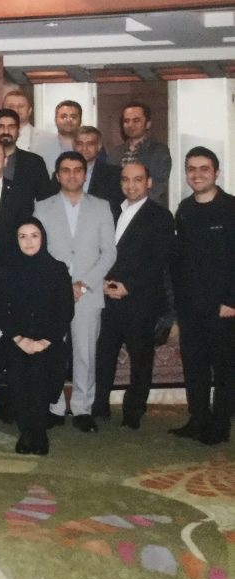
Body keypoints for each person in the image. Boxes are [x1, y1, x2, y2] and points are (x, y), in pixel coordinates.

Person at [34, 152, 116, 433]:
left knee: (85, 353)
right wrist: (59, 286)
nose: (72, 175)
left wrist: (82, 285)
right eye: (66, 170)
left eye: (77, 170)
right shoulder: (41, 208)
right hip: (51, 294)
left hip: (88, 293)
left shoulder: (101, 207)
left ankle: (82, 408)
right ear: (57, 175)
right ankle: (54, 406)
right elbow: (38, 251)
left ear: (85, 174)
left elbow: (109, 253)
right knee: (52, 351)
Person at [94, 162, 174, 429]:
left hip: (140, 300)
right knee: (103, 355)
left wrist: (128, 286)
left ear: (148, 182)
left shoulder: (161, 216)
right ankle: (99, 406)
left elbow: (158, 261)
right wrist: (102, 282)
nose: (131, 185)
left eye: (138, 179)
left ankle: (133, 412)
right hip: (107, 298)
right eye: (126, 180)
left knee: (141, 360)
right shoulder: (111, 211)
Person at [170, 147, 235, 445]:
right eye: (191, 169)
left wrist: (232, 301)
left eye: (204, 168)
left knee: (224, 370)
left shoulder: (231, 208)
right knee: (194, 367)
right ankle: (198, 419)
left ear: (216, 173)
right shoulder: (184, 209)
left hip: (223, 306)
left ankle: (220, 426)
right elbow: (179, 259)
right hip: (190, 305)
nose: (197, 174)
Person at [0, 219, 74, 455]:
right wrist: (20, 339)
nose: (29, 241)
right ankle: (27, 432)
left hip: (49, 341)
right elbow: (1, 313)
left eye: (34, 235)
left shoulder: (57, 270)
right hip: (16, 340)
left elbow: (66, 312)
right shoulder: (6, 271)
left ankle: (37, 433)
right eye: (23, 236)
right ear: (16, 240)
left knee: (40, 370)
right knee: (19, 372)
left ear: (43, 238)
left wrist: (44, 342)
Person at [108, 102, 172, 208]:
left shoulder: (159, 151)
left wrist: (136, 207)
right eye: (126, 121)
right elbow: (110, 186)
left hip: (149, 210)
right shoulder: (115, 153)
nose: (130, 125)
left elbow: (158, 185)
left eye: (136, 120)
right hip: (119, 210)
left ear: (148, 124)